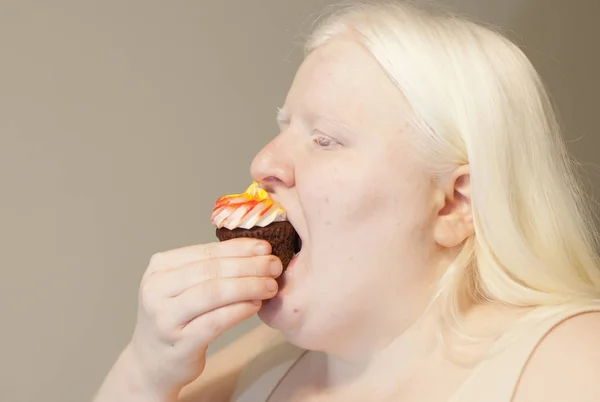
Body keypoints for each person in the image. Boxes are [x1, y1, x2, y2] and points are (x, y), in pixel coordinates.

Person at [92, 2, 600, 401]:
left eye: (325, 139)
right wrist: (142, 373)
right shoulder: (262, 363)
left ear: (454, 203)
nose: (263, 162)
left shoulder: (575, 364)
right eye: (285, 128)